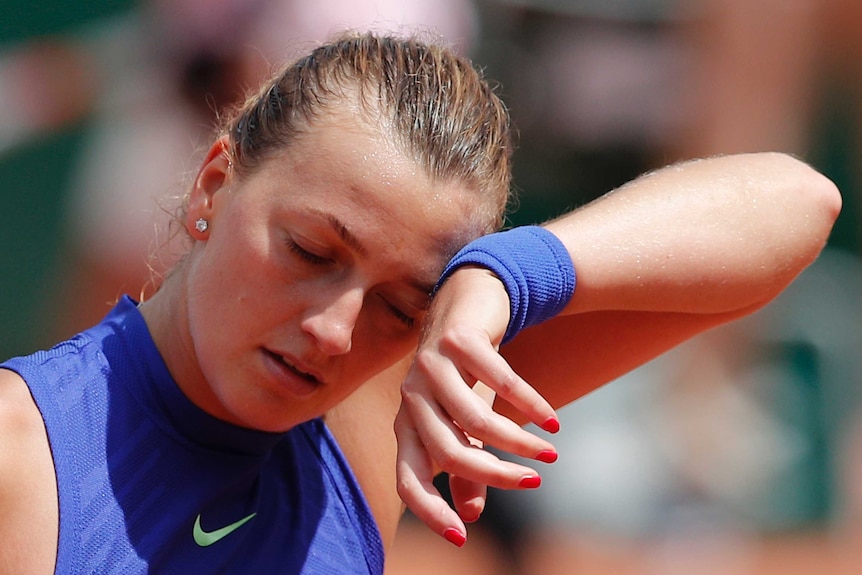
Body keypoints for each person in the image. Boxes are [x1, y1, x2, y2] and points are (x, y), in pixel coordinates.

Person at [0, 31, 841, 574]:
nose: (334, 330)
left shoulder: (377, 398)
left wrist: (502, 279)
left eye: (401, 304)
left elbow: (797, 206)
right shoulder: (21, 459)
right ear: (214, 182)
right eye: (309, 251)